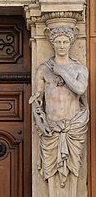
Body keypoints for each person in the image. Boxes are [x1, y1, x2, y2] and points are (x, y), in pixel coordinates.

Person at [30, 26, 89, 187]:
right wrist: (40, 122)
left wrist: (61, 71)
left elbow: (80, 89)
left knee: (73, 170)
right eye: (58, 42)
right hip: (51, 128)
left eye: (65, 42)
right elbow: (37, 100)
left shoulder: (79, 69)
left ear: (70, 43)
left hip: (73, 128)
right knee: (50, 172)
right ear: (52, 43)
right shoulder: (43, 70)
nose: (62, 46)